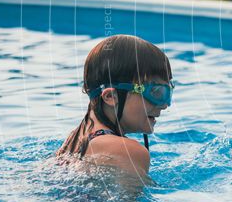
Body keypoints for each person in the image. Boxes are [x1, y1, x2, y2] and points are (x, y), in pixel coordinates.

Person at [56, 34, 174, 177]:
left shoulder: (75, 140)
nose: (165, 104)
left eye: (168, 91)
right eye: (156, 92)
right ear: (110, 97)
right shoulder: (129, 152)